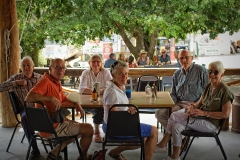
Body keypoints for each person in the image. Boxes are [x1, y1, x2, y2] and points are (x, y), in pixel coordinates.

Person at [156, 61, 233, 160]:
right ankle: (175, 156)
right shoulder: (208, 87)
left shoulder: (225, 90)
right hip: (200, 118)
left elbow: (225, 114)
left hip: (211, 124)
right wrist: (192, 107)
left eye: (216, 72)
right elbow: (199, 104)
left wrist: (204, 113)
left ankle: (163, 142)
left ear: (222, 74)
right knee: (176, 126)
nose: (212, 74)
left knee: (174, 115)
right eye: (210, 71)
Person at [25, 58, 93, 160]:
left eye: (62, 67)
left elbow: (63, 99)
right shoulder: (46, 81)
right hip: (50, 127)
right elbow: (29, 98)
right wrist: (50, 98)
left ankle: (54, 152)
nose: (60, 70)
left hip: (53, 123)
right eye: (57, 67)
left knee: (77, 126)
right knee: (89, 129)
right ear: (50, 68)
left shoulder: (56, 82)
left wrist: (75, 104)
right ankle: (83, 157)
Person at [102, 60, 158, 160]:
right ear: (113, 75)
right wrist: (128, 115)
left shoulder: (119, 86)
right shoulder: (112, 92)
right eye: (120, 74)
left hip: (114, 125)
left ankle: (115, 152)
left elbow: (120, 107)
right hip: (114, 127)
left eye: (126, 73)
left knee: (144, 137)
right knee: (154, 131)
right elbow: (114, 116)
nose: (124, 76)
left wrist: (129, 108)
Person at [155, 49, 208, 148]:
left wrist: (197, 105)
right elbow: (173, 93)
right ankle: (178, 135)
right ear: (178, 60)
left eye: (186, 57)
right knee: (160, 113)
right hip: (179, 103)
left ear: (192, 58)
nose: (184, 60)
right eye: (181, 58)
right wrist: (172, 104)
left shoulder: (201, 70)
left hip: (194, 104)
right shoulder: (177, 73)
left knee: (175, 116)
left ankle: (174, 138)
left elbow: (207, 92)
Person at [0, 56, 43, 160]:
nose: (26, 67)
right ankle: (35, 149)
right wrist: (16, 83)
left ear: (33, 67)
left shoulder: (40, 78)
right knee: (25, 117)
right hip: (25, 108)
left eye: (28, 65)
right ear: (21, 68)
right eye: (23, 66)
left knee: (54, 114)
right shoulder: (16, 78)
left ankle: (56, 147)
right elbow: (1, 87)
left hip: (40, 107)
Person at [78, 54, 112, 143]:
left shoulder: (106, 72)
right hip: (87, 102)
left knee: (108, 108)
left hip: (103, 102)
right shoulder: (85, 73)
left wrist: (93, 91)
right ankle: (97, 132)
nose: (96, 63)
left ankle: (111, 131)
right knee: (99, 109)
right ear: (89, 63)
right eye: (93, 61)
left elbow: (111, 87)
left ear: (101, 63)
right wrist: (100, 91)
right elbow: (81, 89)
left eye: (98, 61)